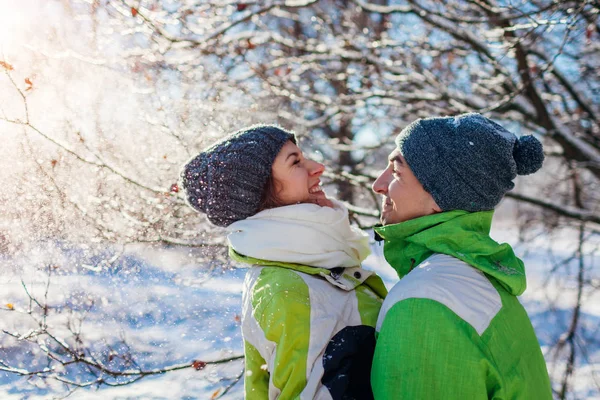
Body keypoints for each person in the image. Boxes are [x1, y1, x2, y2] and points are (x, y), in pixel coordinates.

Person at [180, 124, 387, 399]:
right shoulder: (289, 288)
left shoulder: (314, 266)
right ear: (262, 191)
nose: (317, 167)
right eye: (296, 162)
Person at [370, 113, 553, 399]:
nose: (378, 185)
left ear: (439, 197)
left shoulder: (425, 303)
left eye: (396, 172)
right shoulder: (479, 278)